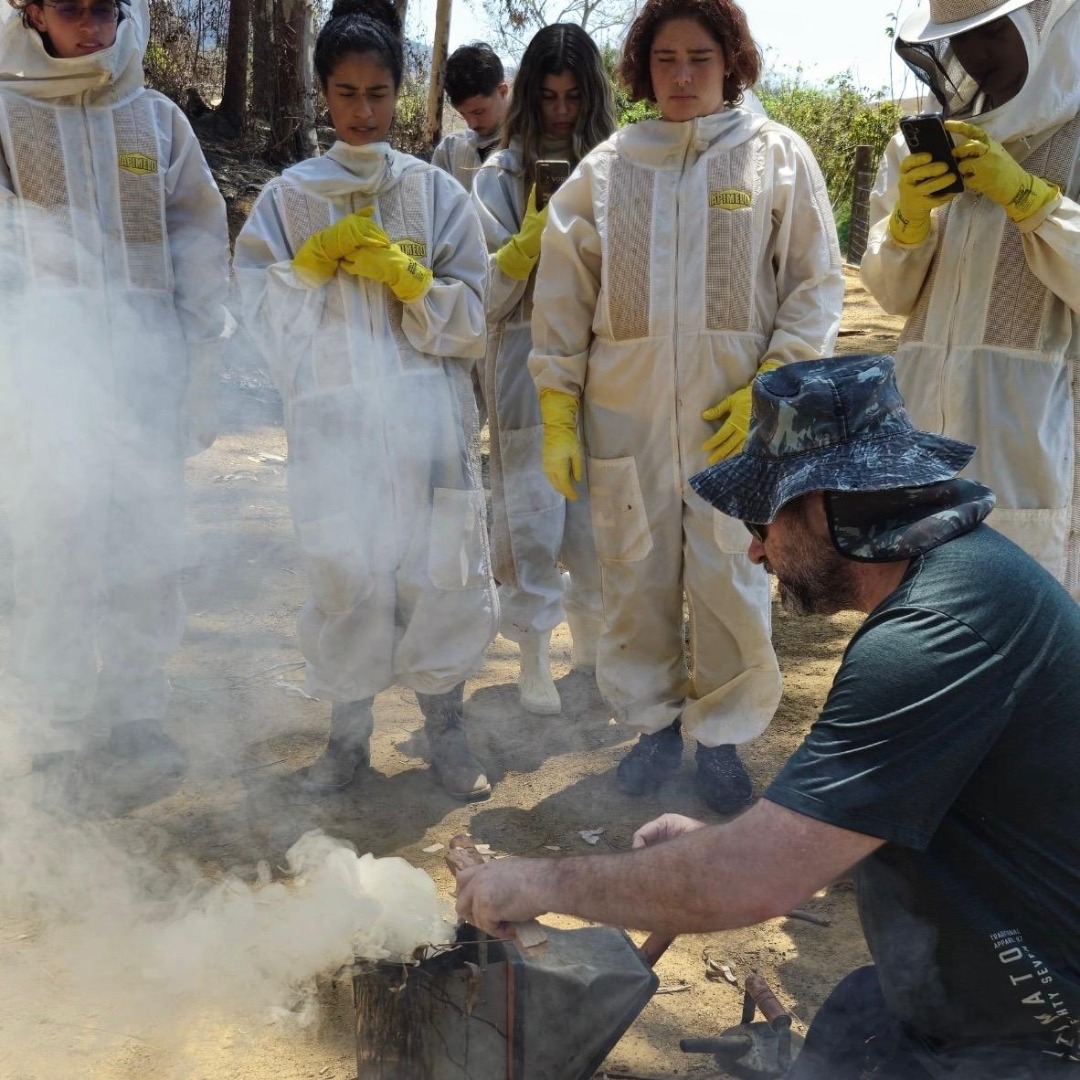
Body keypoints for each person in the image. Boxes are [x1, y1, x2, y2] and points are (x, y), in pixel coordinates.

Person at [456, 353, 1080, 1078]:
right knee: (855, 1021)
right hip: (975, 977)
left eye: (761, 518)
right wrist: (747, 846)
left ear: (826, 504)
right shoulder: (965, 580)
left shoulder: (931, 639)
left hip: (1043, 1027)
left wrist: (539, 882)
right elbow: (855, 829)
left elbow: (754, 883)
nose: (754, 548)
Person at [528, 0, 843, 811]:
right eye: (664, 58)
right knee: (633, 577)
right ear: (641, 66)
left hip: (734, 425)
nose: (682, 75)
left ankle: (724, 740)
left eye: (699, 57)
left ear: (731, 62)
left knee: (731, 579)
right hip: (623, 424)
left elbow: (815, 285)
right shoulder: (606, 169)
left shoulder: (775, 158)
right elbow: (562, 300)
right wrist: (558, 412)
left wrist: (776, 383)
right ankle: (655, 728)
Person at [234, 0, 496, 802]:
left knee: (439, 575)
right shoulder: (287, 200)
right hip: (334, 429)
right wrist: (306, 269)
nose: (363, 110)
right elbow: (257, 322)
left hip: (430, 428)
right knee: (343, 576)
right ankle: (346, 747)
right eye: (346, 93)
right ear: (323, 94)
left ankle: (446, 738)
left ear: (398, 93)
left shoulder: (436, 194)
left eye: (378, 94)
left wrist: (415, 283)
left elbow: (476, 316)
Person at [0, 0, 231, 793]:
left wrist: (200, 361)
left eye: (106, 8)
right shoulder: (5, 109)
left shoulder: (155, 118)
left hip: (145, 381)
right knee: (53, 555)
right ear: (31, 9)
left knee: (144, 546)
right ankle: (59, 733)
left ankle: (138, 712)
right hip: (40, 383)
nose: (92, 27)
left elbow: (198, 238)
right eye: (71, 8)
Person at [861, 0, 1080, 596]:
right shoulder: (920, 139)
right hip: (921, 419)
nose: (974, 53)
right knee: (922, 612)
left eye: (991, 32)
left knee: (1030, 622)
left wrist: (1035, 202)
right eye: (959, 38)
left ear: (1043, 23)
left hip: (1035, 428)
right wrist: (907, 226)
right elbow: (889, 294)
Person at [470, 24, 613, 714]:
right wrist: (526, 244)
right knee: (530, 505)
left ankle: (590, 650)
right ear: (529, 95)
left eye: (572, 97)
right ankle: (533, 659)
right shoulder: (497, 175)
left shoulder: (617, 169)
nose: (560, 111)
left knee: (594, 508)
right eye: (549, 97)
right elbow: (485, 296)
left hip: (603, 360)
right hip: (525, 361)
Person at [431, 42, 509, 192]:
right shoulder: (449, 151)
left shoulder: (527, 146)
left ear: (503, 91)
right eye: (463, 114)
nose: (471, 124)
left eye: (478, 112)